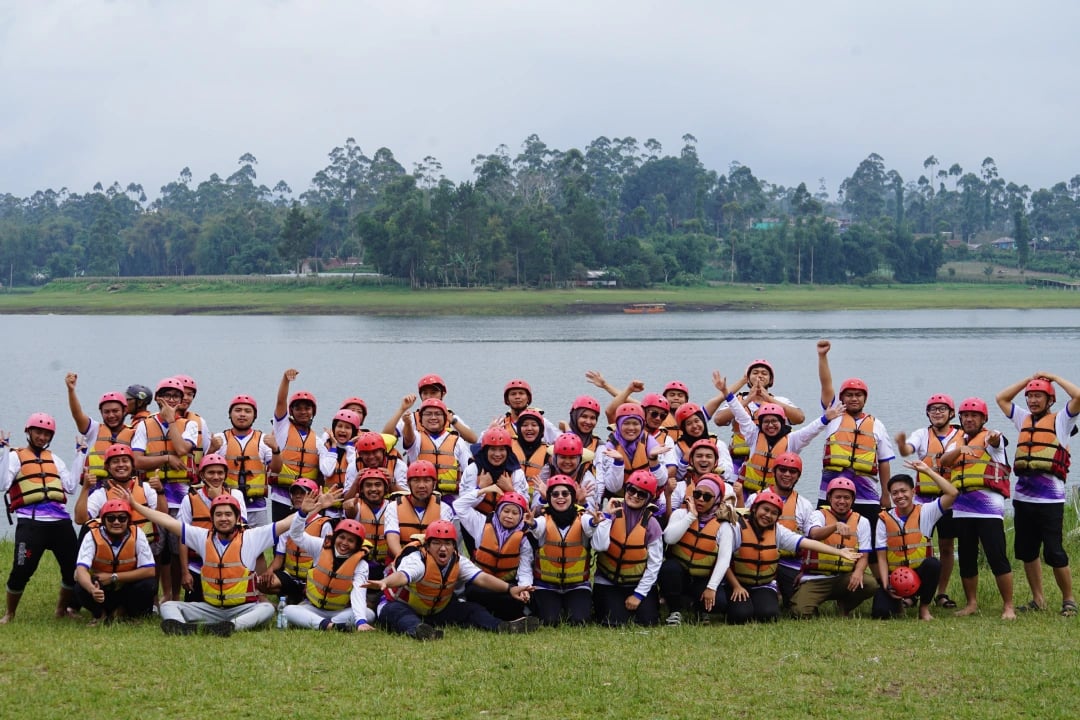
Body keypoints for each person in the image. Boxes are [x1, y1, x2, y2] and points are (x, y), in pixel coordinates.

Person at [127, 490, 297, 636]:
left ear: (238, 517)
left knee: (266, 609)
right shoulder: (202, 537)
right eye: (219, 515)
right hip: (211, 608)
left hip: (243, 608)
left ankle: (230, 627)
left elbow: (285, 523)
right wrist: (136, 506)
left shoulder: (252, 537)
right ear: (212, 518)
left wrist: (311, 509)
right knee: (169, 606)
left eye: (228, 514)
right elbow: (167, 521)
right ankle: (182, 627)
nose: (224, 519)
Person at [996, 373, 1080, 617]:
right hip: (1023, 500)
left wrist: (1053, 377)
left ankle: (1069, 600)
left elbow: (1078, 396)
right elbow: (1001, 398)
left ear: (1050, 399)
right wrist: (1027, 380)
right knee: (1027, 551)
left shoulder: (1062, 420)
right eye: (1030, 396)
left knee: (1054, 551)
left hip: (1050, 501)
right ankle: (1038, 599)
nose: (1033, 400)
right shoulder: (1023, 418)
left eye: (1038, 396)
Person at [370, 519, 539, 640]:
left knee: (472, 609)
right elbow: (403, 576)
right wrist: (386, 582)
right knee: (398, 613)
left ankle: (502, 627)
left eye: (448, 544)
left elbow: (482, 578)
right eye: (436, 543)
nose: (442, 548)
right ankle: (420, 632)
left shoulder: (458, 560)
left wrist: (510, 589)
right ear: (427, 546)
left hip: (436, 610)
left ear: (453, 546)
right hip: (400, 605)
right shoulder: (417, 559)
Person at [727, 488, 861, 624]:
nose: (768, 515)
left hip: (763, 584)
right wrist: (736, 586)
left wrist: (839, 552)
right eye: (765, 510)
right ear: (754, 509)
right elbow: (723, 562)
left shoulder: (778, 531)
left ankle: (760, 600)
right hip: (738, 583)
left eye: (774, 513)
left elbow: (806, 543)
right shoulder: (737, 528)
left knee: (769, 615)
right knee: (740, 616)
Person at [940, 397, 1017, 619]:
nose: (969, 419)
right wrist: (961, 448)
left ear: (983, 418)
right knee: (966, 556)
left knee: (996, 555)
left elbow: (995, 442)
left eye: (974, 415)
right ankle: (971, 603)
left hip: (988, 510)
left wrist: (993, 438)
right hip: (963, 509)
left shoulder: (994, 439)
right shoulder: (958, 441)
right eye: (965, 415)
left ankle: (1008, 606)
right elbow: (945, 461)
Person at [0, 412, 80, 623]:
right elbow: (2, 485)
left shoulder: (54, 459)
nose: (42, 437)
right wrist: (2, 452)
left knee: (72, 567)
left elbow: (71, 486)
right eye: (38, 432)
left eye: (47, 434)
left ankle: (61, 610)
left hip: (60, 522)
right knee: (21, 569)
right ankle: (10, 613)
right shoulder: (15, 456)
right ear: (28, 432)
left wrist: (80, 454)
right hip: (31, 522)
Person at [816, 339, 895, 540]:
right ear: (842, 398)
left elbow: (884, 462)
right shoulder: (834, 415)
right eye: (849, 395)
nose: (853, 399)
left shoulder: (877, 425)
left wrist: (885, 494)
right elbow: (826, 385)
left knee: (871, 540)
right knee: (830, 538)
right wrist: (822, 357)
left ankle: (871, 571)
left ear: (865, 398)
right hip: (831, 492)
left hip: (866, 495)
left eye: (858, 395)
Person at [714, 371, 836, 501]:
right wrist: (725, 392)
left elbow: (810, 431)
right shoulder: (753, 434)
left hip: (774, 494)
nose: (770, 425)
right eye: (766, 422)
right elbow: (739, 413)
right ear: (760, 424)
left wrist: (826, 418)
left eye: (774, 421)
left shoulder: (792, 440)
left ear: (782, 422)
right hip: (747, 490)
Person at [130, 377, 200, 602]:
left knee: (179, 550)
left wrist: (171, 422)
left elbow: (181, 449)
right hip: (152, 495)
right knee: (157, 551)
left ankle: (175, 596)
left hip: (181, 499)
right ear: (158, 398)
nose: (172, 400)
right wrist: (167, 457)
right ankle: (156, 596)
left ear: (182, 401)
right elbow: (137, 462)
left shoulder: (189, 425)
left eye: (176, 396)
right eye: (167, 395)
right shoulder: (144, 425)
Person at [894, 393, 962, 609]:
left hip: (949, 500)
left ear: (951, 413)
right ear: (928, 414)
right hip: (924, 499)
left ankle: (941, 592)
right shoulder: (922, 434)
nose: (937, 413)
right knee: (919, 545)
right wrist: (902, 444)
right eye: (933, 409)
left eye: (942, 409)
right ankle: (912, 590)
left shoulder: (962, 436)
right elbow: (908, 450)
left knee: (947, 546)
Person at [871, 460, 958, 620]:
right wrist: (886, 584)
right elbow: (881, 558)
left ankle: (923, 608)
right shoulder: (884, 519)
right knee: (880, 613)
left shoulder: (926, 512)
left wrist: (927, 471)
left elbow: (952, 493)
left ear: (913, 492)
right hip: (895, 576)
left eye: (903, 491)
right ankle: (899, 602)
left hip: (920, 574)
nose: (899, 496)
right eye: (894, 493)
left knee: (933, 564)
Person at [281, 490, 374, 632]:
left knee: (369, 614)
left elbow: (358, 593)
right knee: (288, 610)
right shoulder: (320, 546)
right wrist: (302, 514)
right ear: (335, 536)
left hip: (339, 611)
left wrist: (361, 621)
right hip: (312, 607)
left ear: (357, 545)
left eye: (351, 541)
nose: (344, 543)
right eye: (342, 537)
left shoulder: (361, 564)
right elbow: (296, 535)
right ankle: (330, 626)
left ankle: (326, 623)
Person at [790, 477, 879, 618]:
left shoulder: (862, 521)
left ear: (853, 500)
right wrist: (834, 526)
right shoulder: (818, 515)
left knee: (870, 584)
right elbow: (814, 534)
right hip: (816, 577)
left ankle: (845, 605)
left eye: (847, 497)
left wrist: (859, 572)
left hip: (844, 577)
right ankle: (811, 604)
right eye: (838, 497)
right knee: (800, 613)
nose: (842, 501)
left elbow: (864, 555)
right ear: (829, 498)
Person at [660, 475, 738, 624]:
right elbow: (669, 538)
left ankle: (697, 607)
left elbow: (723, 560)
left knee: (720, 603)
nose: (701, 499)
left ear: (716, 500)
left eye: (707, 497)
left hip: (702, 578)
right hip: (679, 576)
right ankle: (675, 610)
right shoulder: (680, 514)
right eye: (697, 494)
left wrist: (711, 587)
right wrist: (691, 516)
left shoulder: (724, 526)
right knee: (669, 569)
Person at [592, 470, 664, 627]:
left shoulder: (652, 524)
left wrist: (638, 595)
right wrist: (607, 518)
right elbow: (599, 545)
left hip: (637, 582)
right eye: (632, 490)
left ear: (649, 498)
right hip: (608, 581)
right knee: (613, 622)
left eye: (642, 494)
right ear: (626, 490)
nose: (635, 496)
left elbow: (654, 564)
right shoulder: (611, 512)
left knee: (648, 621)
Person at [176, 453, 249, 602]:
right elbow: (182, 538)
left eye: (220, 473)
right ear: (202, 474)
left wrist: (217, 499)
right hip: (198, 566)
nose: (216, 477)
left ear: (226, 475)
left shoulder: (236, 495)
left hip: (229, 565)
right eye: (211, 472)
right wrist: (185, 572)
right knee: (195, 610)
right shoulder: (189, 499)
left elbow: (243, 530)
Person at [712, 359, 804, 476]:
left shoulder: (780, 401)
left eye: (764, 373)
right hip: (738, 459)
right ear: (748, 378)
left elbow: (799, 418)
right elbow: (719, 420)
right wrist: (749, 399)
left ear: (770, 380)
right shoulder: (737, 400)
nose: (759, 376)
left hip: (769, 460)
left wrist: (767, 398)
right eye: (755, 373)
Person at [528, 474, 599, 625]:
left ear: (572, 497)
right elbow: (537, 528)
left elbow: (589, 526)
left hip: (577, 585)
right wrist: (531, 523)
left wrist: (595, 522)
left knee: (580, 621)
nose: (560, 497)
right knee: (548, 621)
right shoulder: (543, 518)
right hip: (546, 585)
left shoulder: (583, 517)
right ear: (549, 498)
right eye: (555, 494)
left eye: (565, 493)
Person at [744, 451, 813, 607]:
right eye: (782, 470)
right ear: (774, 472)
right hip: (760, 559)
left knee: (795, 605)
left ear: (798, 476)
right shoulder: (755, 498)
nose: (787, 474)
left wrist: (805, 570)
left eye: (792, 471)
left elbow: (811, 540)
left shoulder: (804, 505)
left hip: (789, 563)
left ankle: (781, 592)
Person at [454, 489, 534, 620]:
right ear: (498, 511)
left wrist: (524, 588)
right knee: (475, 593)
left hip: (506, 584)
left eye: (515, 513)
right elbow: (459, 505)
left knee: (515, 599)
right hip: (482, 582)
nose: (509, 516)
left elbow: (525, 569)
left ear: (521, 516)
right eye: (506, 511)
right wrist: (483, 490)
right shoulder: (481, 524)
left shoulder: (524, 538)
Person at [74, 499, 156, 624]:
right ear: (103, 521)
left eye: (122, 518)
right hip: (101, 588)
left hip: (127, 587)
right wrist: (92, 589)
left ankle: (128, 613)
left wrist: (114, 577)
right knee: (80, 586)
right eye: (111, 518)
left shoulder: (137, 534)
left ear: (128, 520)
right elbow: (81, 570)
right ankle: (100, 615)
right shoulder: (92, 535)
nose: (116, 522)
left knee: (149, 584)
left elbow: (150, 571)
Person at [74, 444, 166, 553]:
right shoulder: (101, 494)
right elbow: (80, 520)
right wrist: (85, 488)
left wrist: (160, 491)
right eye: (115, 462)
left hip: (145, 547)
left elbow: (163, 517)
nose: (121, 465)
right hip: (113, 549)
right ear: (107, 467)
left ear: (132, 465)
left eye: (125, 461)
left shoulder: (145, 488)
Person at [210, 394, 281, 528]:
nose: (242, 414)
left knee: (258, 545)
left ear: (254, 416)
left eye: (247, 411)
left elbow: (276, 469)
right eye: (238, 410)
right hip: (227, 504)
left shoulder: (263, 440)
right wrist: (212, 449)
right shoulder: (220, 439)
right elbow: (204, 470)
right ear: (230, 414)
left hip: (256, 505)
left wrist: (275, 449)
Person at [260, 478, 330, 604]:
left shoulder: (324, 524)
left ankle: (301, 597)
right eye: (295, 493)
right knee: (262, 583)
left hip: (313, 578)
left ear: (314, 496)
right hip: (291, 576)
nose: (298, 496)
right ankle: (293, 595)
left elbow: (327, 558)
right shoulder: (288, 523)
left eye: (303, 493)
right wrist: (269, 571)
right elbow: (279, 558)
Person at [64, 372, 133, 482]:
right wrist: (71, 390)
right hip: (96, 487)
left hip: (124, 486)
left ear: (124, 411)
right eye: (106, 412)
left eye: (115, 411)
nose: (111, 415)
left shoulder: (134, 433)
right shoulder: (94, 429)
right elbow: (77, 415)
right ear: (101, 412)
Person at [272, 369, 320, 522]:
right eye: (298, 408)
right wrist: (286, 380)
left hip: (306, 498)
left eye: (307, 408)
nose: (303, 412)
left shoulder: (318, 440)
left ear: (313, 411)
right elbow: (280, 402)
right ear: (291, 411)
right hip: (282, 496)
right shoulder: (282, 429)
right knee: (280, 540)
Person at [402, 398, 472, 503]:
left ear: (445, 418)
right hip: (421, 498)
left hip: (451, 499)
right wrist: (407, 424)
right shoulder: (416, 438)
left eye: (438, 414)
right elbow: (408, 438)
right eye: (428, 414)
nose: (433, 417)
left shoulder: (458, 441)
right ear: (421, 419)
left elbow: (469, 472)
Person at [594, 403, 666, 503]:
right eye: (626, 423)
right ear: (618, 425)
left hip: (644, 499)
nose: (631, 428)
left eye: (635, 424)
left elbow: (661, 482)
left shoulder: (651, 443)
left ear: (642, 425)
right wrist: (618, 463)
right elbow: (613, 488)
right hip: (618, 500)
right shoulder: (609, 448)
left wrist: (653, 460)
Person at [382, 460, 453, 560]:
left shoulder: (444, 508)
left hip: (433, 561)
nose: (421, 486)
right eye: (416, 480)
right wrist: (404, 561)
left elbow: (444, 543)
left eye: (427, 480)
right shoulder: (393, 506)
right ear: (408, 483)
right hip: (401, 559)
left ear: (434, 483)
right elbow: (392, 537)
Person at [458, 426, 528, 526]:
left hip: (507, 524)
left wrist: (510, 490)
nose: (497, 454)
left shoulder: (516, 472)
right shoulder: (473, 469)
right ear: (485, 450)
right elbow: (463, 505)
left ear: (508, 451)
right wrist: (481, 488)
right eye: (493, 449)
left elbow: (524, 506)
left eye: (502, 449)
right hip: (477, 522)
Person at [382, 374, 478, 443]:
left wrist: (453, 421)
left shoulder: (450, 417)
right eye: (425, 393)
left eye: (433, 392)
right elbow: (385, 436)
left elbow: (473, 439)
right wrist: (402, 409)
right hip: (419, 470)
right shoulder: (413, 418)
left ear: (443, 394)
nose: (429, 397)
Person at [343, 467, 394, 583]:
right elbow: (351, 512)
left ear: (385, 488)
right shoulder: (357, 505)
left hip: (386, 565)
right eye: (368, 485)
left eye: (378, 485)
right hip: (361, 563)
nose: (373, 489)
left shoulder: (393, 507)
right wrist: (349, 507)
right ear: (361, 489)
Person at [536, 432, 598, 512]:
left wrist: (582, 503)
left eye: (572, 458)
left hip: (575, 521)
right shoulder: (547, 471)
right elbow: (535, 512)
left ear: (579, 459)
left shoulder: (587, 479)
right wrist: (543, 499)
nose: (567, 462)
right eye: (563, 457)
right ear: (555, 457)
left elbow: (592, 518)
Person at [318, 408, 361, 520]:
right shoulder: (325, 446)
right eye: (339, 426)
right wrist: (333, 447)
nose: (342, 430)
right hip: (329, 509)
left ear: (354, 431)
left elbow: (354, 468)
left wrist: (351, 447)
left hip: (349, 509)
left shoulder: (357, 450)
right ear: (333, 428)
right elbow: (327, 471)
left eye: (347, 427)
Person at [510, 408, 551, 502]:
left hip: (538, 500)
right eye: (524, 425)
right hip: (512, 499)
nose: (529, 428)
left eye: (534, 425)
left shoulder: (548, 452)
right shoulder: (509, 447)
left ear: (541, 429)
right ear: (519, 429)